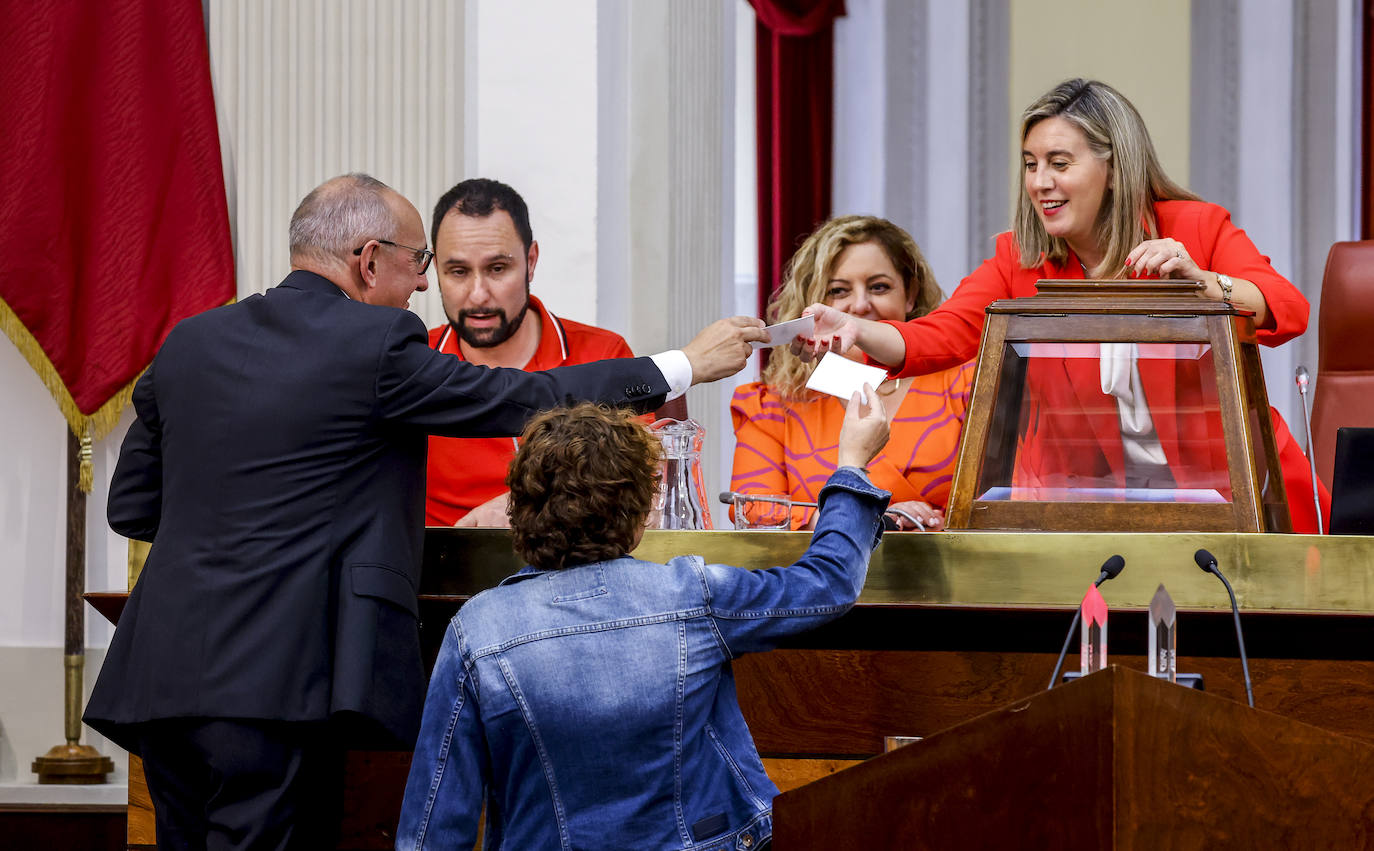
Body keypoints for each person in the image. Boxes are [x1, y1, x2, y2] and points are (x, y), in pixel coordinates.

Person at [82, 173, 768, 850]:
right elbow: (523, 397)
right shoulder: (376, 344)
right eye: (418, 264)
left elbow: (133, 505)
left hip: (161, 677)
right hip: (278, 682)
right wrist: (684, 365)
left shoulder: (189, 342)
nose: (419, 286)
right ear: (369, 259)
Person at [799, 79, 1328, 533]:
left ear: (1115, 169)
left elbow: (1288, 308)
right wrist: (855, 329)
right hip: (1105, 508)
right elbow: (936, 337)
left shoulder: (1196, 228)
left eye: (1058, 163)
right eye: (1031, 165)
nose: (1040, 183)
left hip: (1237, 497)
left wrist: (1207, 282)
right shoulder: (1019, 261)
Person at [396, 394, 892, 850]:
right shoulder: (690, 594)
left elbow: (436, 817)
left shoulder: (476, 631)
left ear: (517, 509)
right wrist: (851, 465)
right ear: (639, 518)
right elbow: (828, 583)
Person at [731, 215, 972, 531]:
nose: (860, 305)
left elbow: (1006, 499)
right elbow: (753, 512)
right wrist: (867, 518)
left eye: (879, 287)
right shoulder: (773, 406)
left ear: (910, 295)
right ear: (812, 304)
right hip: (823, 577)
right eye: (839, 291)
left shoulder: (966, 382)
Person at [425, 178, 637, 527]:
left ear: (531, 261)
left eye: (497, 269)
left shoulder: (605, 354)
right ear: (437, 272)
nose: (478, 295)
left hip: (577, 573)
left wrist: (518, 506)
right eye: (458, 272)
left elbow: (645, 496)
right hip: (444, 578)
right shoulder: (413, 362)